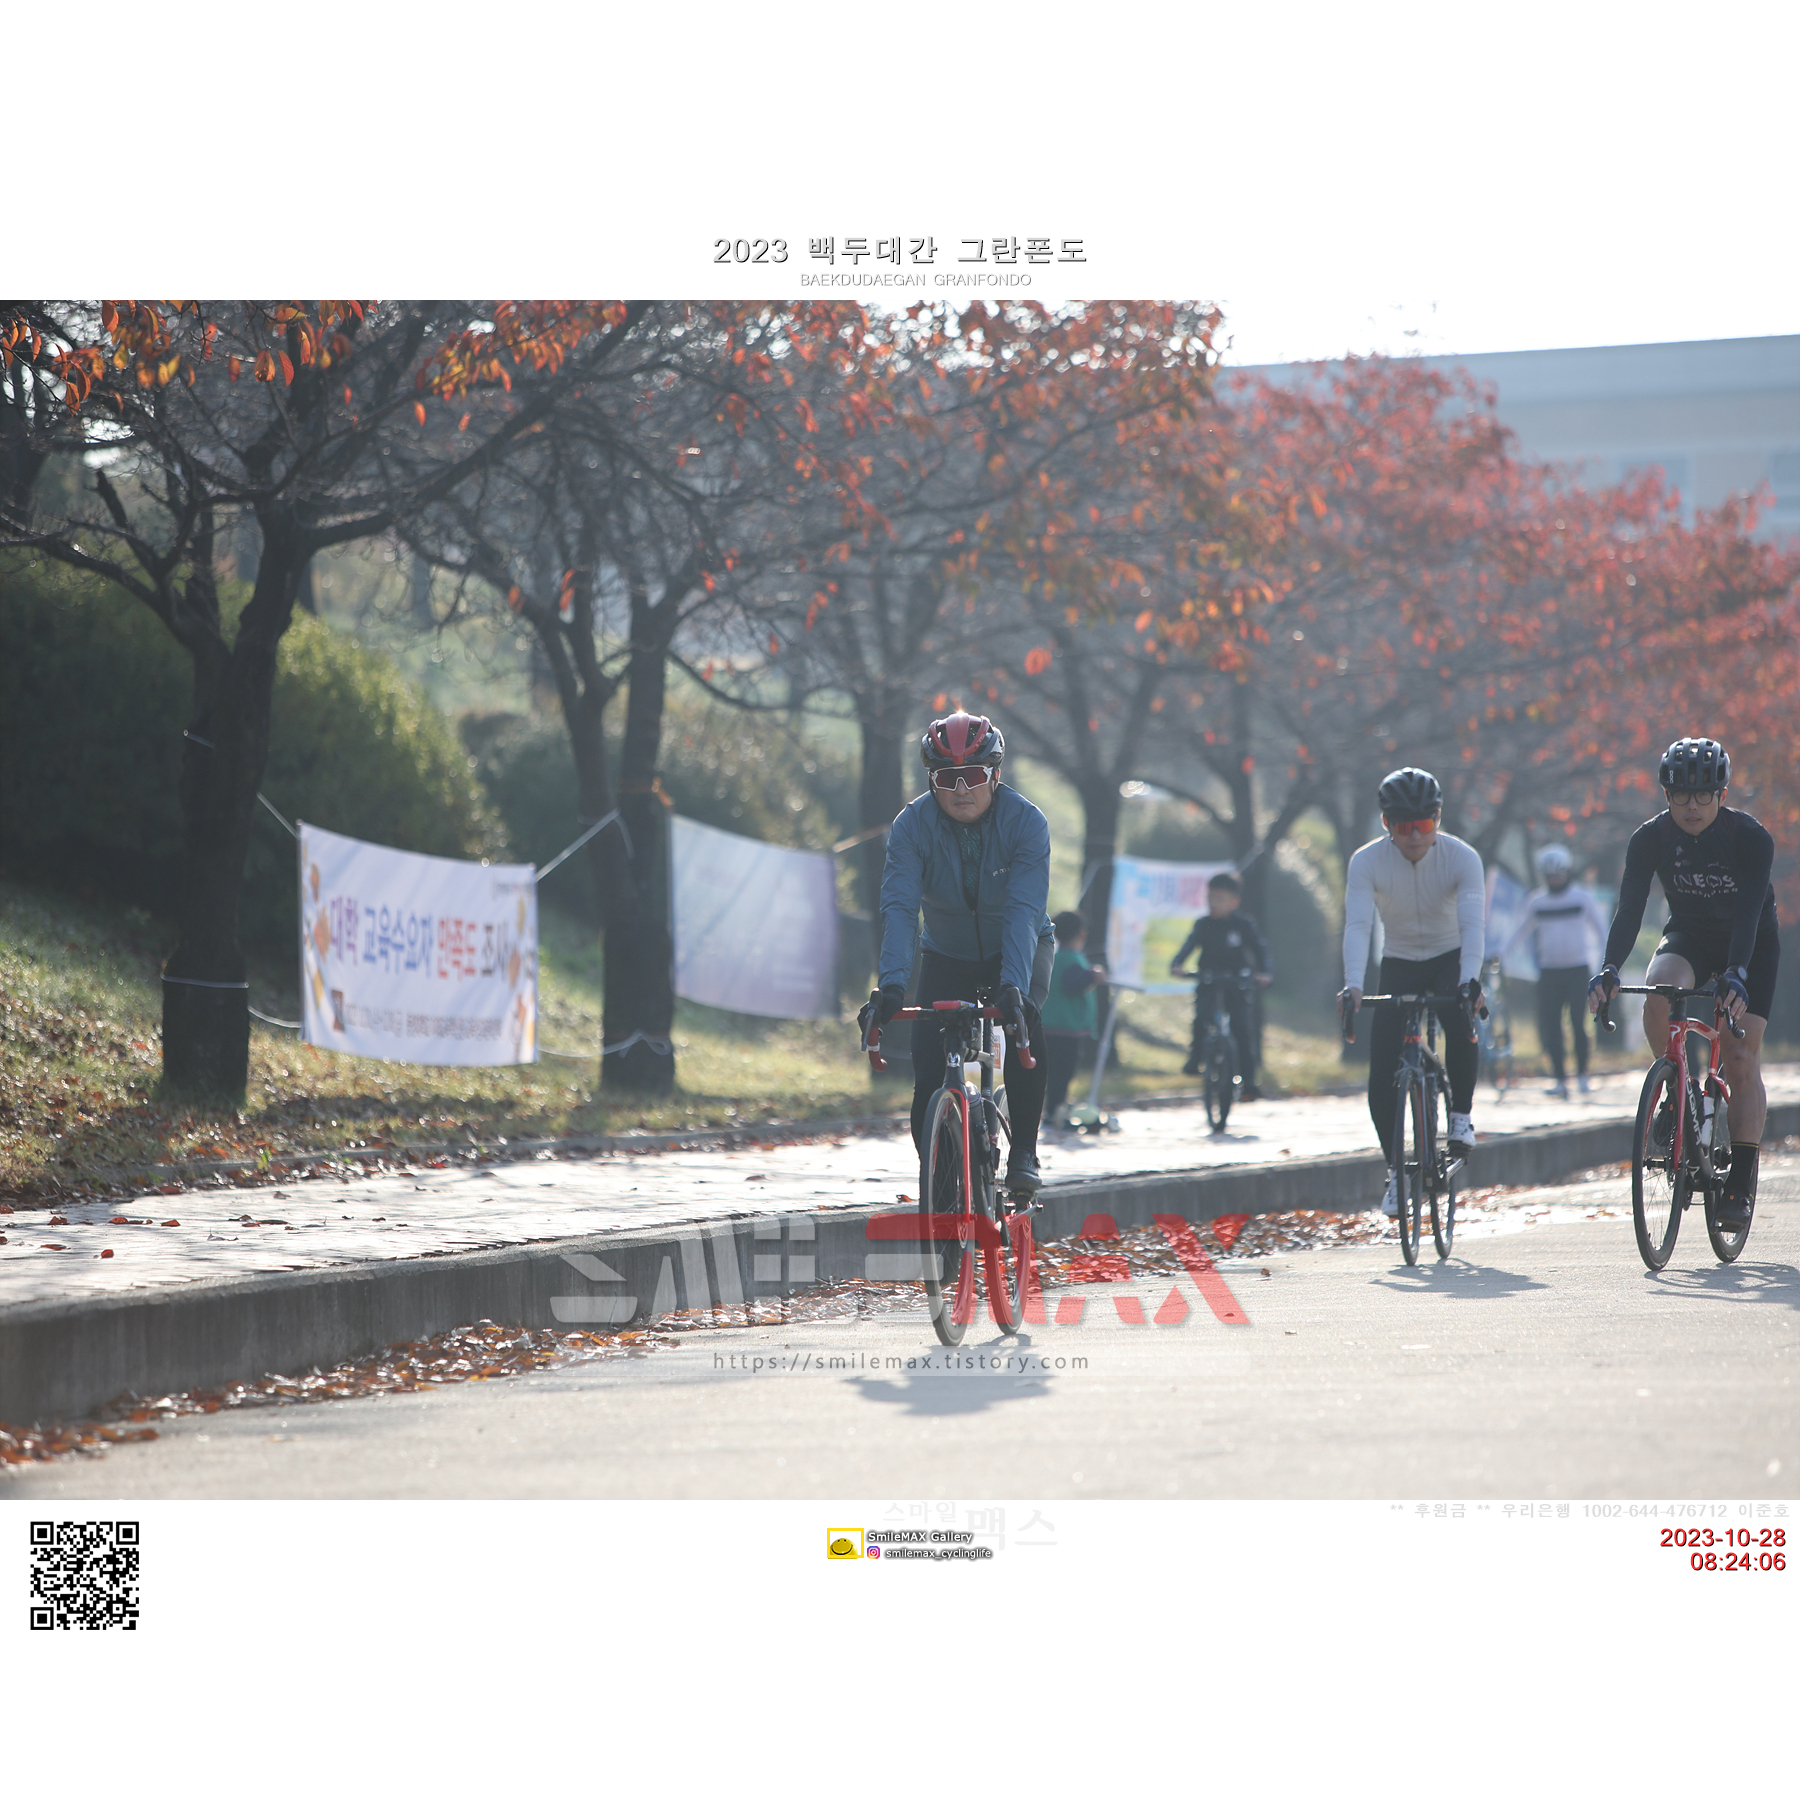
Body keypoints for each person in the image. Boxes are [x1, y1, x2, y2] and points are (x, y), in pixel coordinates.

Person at [1587, 737, 1779, 1230]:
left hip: (1750, 943)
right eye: (1680, 796)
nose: (1691, 806)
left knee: (1740, 1055)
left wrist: (1737, 972)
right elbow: (1630, 908)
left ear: (1722, 794)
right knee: (1659, 990)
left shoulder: (1750, 838)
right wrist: (1610, 967)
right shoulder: (1649, 838)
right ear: (1665, 795)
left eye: (1702, 795)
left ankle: (1740, 1180)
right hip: (1691, 934)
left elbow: (1749, 912)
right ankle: (1677, 1090)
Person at [867, 711, 1055, 1196]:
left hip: (1019, 946)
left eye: (972, 775)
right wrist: (892, 985)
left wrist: (1014, 986)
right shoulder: (912, 825)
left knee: (1023, 1028)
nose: (961, 789)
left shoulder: (1026, 822)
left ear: (994, 773)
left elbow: (1023, 912)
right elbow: (900, 908)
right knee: (929, 1071)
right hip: (947, 952)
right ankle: (944, 1185)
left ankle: (1025, 1151)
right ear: (931, 780)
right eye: (946, 779)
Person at [1338, 767, 1486, 1216]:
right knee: (1381, 1067)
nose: (1416, 836)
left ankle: (1460, 1117)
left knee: (1460, 1018)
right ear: (1387, 824)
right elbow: (1358, 925)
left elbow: (1472, 926)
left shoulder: (1462, 858)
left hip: (1449, 956)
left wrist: (1469, 981)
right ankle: (1396, 1173)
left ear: (1438, 818)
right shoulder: (1366, 861)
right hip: (1399, 961)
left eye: (1424, 824)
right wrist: (1353, 985)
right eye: (1404, 827)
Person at [1502, 843, 1610, 1098]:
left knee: (1578, 1023)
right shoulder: (1537, 901)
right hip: (1549, 971)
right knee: (1552, 1026)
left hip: (1578, 969)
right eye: (1550, 876)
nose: (1554, 880)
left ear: (1566, 872)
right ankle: (1560, 1079)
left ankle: (1582, 1075)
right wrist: (1501, 955)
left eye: (1558, 874)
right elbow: (1520, 931)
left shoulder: (1581, 897)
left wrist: (1605, 964)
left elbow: (1601, 930)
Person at [1169, 871, 1271, 1099]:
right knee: (1201, 1019)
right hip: (1209, 979)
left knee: (1242, 1030)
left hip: (1236, 981)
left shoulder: (1243, 925)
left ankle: (1249, 1083)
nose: (1213, 903)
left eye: (1220, 899)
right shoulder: (1203, 924)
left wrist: (1264, 972)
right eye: (1210, 898)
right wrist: (1177, 963)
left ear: (1234, 902)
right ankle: (1195, 1060)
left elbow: (1260, 949)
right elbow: (1189, 945)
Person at [1040, 909, 1106, 1125]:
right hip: (1067, 1029)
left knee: (1049, 1072)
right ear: (1082, 934)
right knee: (1062, 1073)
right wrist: (1092, 975)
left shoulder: (1054, 957)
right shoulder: (1072, 959)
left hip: (1047, 1026)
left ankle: (1051, 1108)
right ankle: (1055, 1111)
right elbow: (1072, 985)